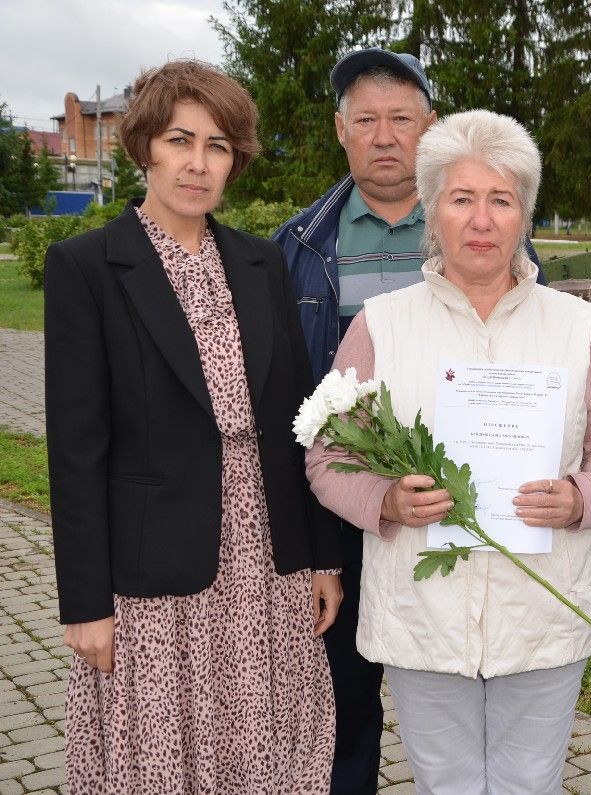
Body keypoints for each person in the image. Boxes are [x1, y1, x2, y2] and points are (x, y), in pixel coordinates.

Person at [304, 109, 591, 794]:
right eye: (462, 199)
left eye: (501, 199)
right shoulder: (383, 324)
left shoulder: (576, 327)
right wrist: (387, 498)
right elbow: (326, 458)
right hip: (422, 617)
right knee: (448, 784)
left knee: (527, 783)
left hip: (539, 619)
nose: (481, 219)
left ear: (524, 215)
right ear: (432, 211)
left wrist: (580, 498)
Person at [44, 59, 342, 793]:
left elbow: (298, 417)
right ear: (145, 145)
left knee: (265, 750)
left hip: (265, 557)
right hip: (154, 569)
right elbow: (75, 450)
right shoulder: (86, 266)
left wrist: (322, 557)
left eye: (218, 146)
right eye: (182, 140)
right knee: (162, 760)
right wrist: (84, 605)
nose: (198, 163)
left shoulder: (260, 260)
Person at [274, 50, 545, 793]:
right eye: (366, 120)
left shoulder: (491, 229)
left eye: (401, 119)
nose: (384, 135)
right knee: (342, 713)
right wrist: (311, 547)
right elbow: (288, 409)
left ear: (430, 126)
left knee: (468, 722)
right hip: (347, 519)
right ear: (340, 130)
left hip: (464, 519)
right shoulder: (298, 249)